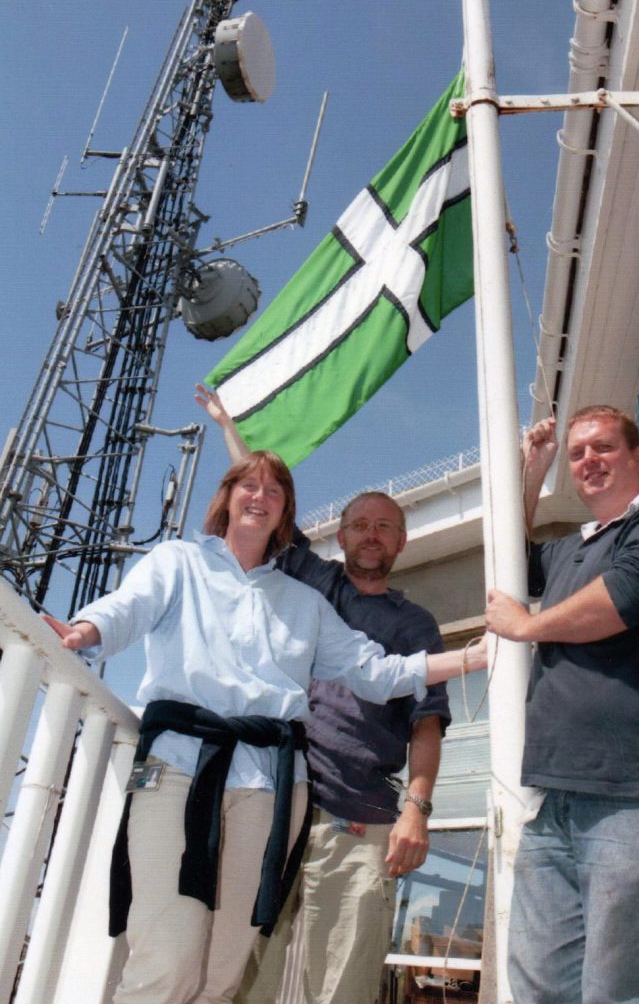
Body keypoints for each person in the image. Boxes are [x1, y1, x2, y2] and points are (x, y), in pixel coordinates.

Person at [46, 451, 486, 1004]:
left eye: (273, 492)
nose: (259, 497)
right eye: (248, 486)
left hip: (269, 788)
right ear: (227, 497)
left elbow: (378, 673)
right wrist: (89, 628)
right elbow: (129, 606)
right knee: (167, 956)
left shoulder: (305, 602)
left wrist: (473, 657)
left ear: (285, 515)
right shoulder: (179, 561)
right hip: (179, 768)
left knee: (226, 969)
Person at [194, 386, 455, 1004]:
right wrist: (229, 426)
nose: (371, 534)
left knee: (339, 986)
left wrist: (417, 808)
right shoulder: (313, 585)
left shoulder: (416, 627)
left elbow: (427, 726)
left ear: (401, 543)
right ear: (339, 537)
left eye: (384, 527)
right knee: (240, 972)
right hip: (273, 807)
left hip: (358, 824)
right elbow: (262, 494)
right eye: (360, 524)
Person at [485, 406, 639, 1004]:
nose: (589, 461)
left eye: (604, 448)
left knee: (621, 992)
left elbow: (625, 596)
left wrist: (527, 626)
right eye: (577, 454)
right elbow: (508, 556)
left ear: (638, 457)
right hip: (558, 799)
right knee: (542, 987)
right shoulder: (573, 550)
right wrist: (530, 472)